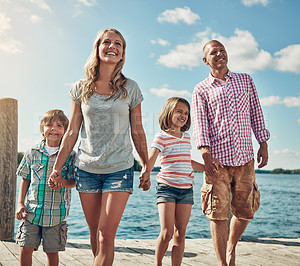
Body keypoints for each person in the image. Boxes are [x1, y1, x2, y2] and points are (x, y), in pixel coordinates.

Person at [48, 28, 150, 266]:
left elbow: (137, 130)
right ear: (97, 47)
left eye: (118, 44)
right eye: (107, 42)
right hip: (86, 169)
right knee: (95, 234)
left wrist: (146, 164)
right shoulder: (81, 88)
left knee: (106, 234)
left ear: (123, 53)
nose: (112, 46)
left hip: (119, 168)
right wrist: (57, 167)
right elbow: (72, 131)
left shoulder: (131, 88)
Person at [192, 40, 270, 266]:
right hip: (217, 162)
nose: (219, 54)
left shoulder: (246, 81)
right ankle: (223, 264)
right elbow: (200, 123)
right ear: (205, 61)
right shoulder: (201, 89)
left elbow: (257, 112)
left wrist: (263, 142)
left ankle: (231, 247)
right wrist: (205, 153)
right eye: (213, 52)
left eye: (222, 50)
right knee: (217, 214)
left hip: (245, 158)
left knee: (246, 211)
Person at [140, 97, 205, 266]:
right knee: (167, 232)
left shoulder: (186, 137)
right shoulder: (161, 136)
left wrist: (208, 168)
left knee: (180, 232)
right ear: (169, 112)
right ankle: (158, 263)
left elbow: (187, 160)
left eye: (186, 113)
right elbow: (151, 158)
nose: (183, 115)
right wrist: (145, 173)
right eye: (179, 111)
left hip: (186, 190)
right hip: (167, 188)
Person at [15, 109, 76, 266]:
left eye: (59, 125)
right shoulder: (32, 153)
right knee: (25, 248)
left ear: (66, 131)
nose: (54, 128)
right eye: (49, 125)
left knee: (51, 251)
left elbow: (74, 182)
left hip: (57, 213)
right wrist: (20, 203)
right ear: (42, 130)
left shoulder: (70, 155)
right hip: (32, 212)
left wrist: (62, 181)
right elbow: (25, 179)